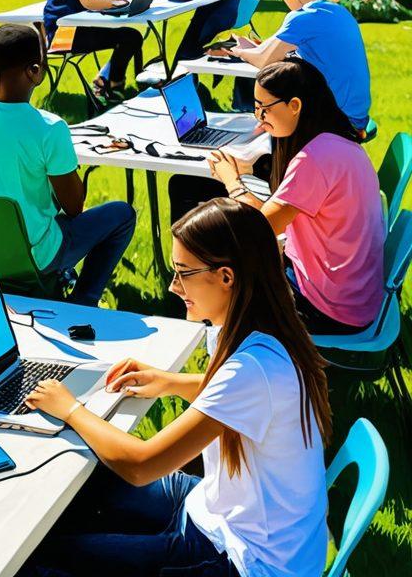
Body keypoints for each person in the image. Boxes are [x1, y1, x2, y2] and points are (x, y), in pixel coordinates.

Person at [21, 198, 331, 577]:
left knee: (39, 561)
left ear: (226, 277)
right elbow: (239, 396)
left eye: (183, 273)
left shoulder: (252, 369)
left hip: (243, 561)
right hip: (218, 515)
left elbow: (141, 465)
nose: (172, 286)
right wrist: (169, 382)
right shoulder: (256, 331)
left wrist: (70, 409)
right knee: (80, 489)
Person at [171, 60, 384, 335]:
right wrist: (248, 171)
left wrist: (232, 181)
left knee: (225, 279)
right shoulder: (337, 142)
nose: (258, 120)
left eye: (265, 109)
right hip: (355, 296)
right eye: (255, 107)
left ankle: (208, 341)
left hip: (330, 309)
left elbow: (257, 230)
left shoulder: (314, 159)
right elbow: (280, 217)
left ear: (295, 106)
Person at [0, 25, 136, 308]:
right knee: (122, 214)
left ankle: (56, 281)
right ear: (34, 71)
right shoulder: (49, 128)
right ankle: (82, 302)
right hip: (34, 255)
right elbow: (74, 208)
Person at [232, 0, 371, 133]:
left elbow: (265, 61)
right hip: (356, 115)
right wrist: (258, 49)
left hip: (338, 120)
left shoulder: (303, 17)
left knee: (272, 106)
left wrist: (239, 51)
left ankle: (262, 154)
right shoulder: (337, 11)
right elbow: (273, 50)